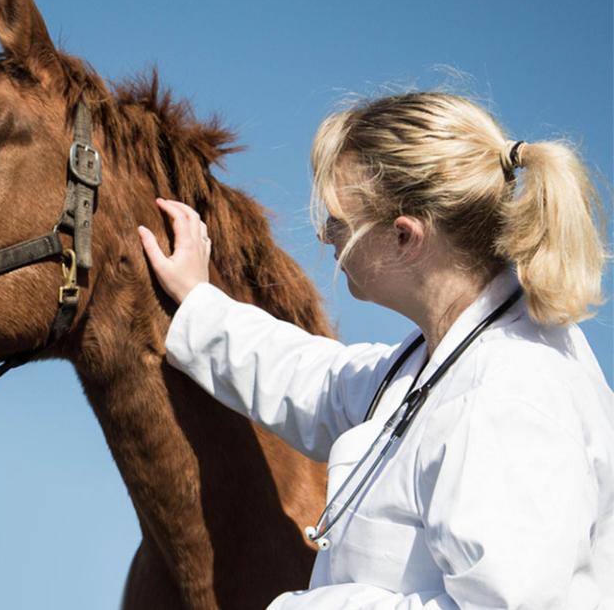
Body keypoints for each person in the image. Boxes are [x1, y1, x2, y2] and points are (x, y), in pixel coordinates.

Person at [138, 92, 612, 608]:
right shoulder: (443, 357)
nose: (325, 235)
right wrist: (201, 302)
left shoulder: (507, 399)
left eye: (340, 220)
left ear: (406, 238)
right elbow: (318, 381)